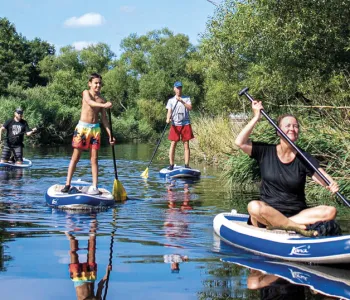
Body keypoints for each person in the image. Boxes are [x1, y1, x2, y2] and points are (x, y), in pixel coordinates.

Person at [234, 100, 340, 235]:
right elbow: (240, 142)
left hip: (297, 214)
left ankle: (284, 225)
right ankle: (298, 228)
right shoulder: (265, 151)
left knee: (330, 211)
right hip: (267, 214)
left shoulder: (303, 157)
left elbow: (323, 178)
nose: (292, 129)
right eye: (287, 125)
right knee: (254, 206)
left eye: (295, 126)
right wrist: (256, 117)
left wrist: (331, 184)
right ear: (278, 132)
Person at [61, 73, 114, 195]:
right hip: (83, 129)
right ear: (90, 83)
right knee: (76, 157)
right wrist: (104, 105)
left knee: (94, 159)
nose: (98, 85)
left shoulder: (102, 99)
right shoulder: (86, 93)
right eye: (96, 83)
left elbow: (104, 120)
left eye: (100, 83)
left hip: (95, 130)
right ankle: (67, 184)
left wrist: (110, 134)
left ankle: (95, 186)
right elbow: (90, 102)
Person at [166, 81, 194, 170]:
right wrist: (168, 119)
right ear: (174, 89)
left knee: (186, 144)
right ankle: (171, 165)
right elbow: (169, 111)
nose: (179, 90)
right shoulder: (171, 100)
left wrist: (182, 101)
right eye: (177, 88)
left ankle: (186, 165)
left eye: (180, 88)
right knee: (173, 143)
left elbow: (190, 108)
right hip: (175, 124)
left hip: (185, 124)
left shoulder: (187, 98)